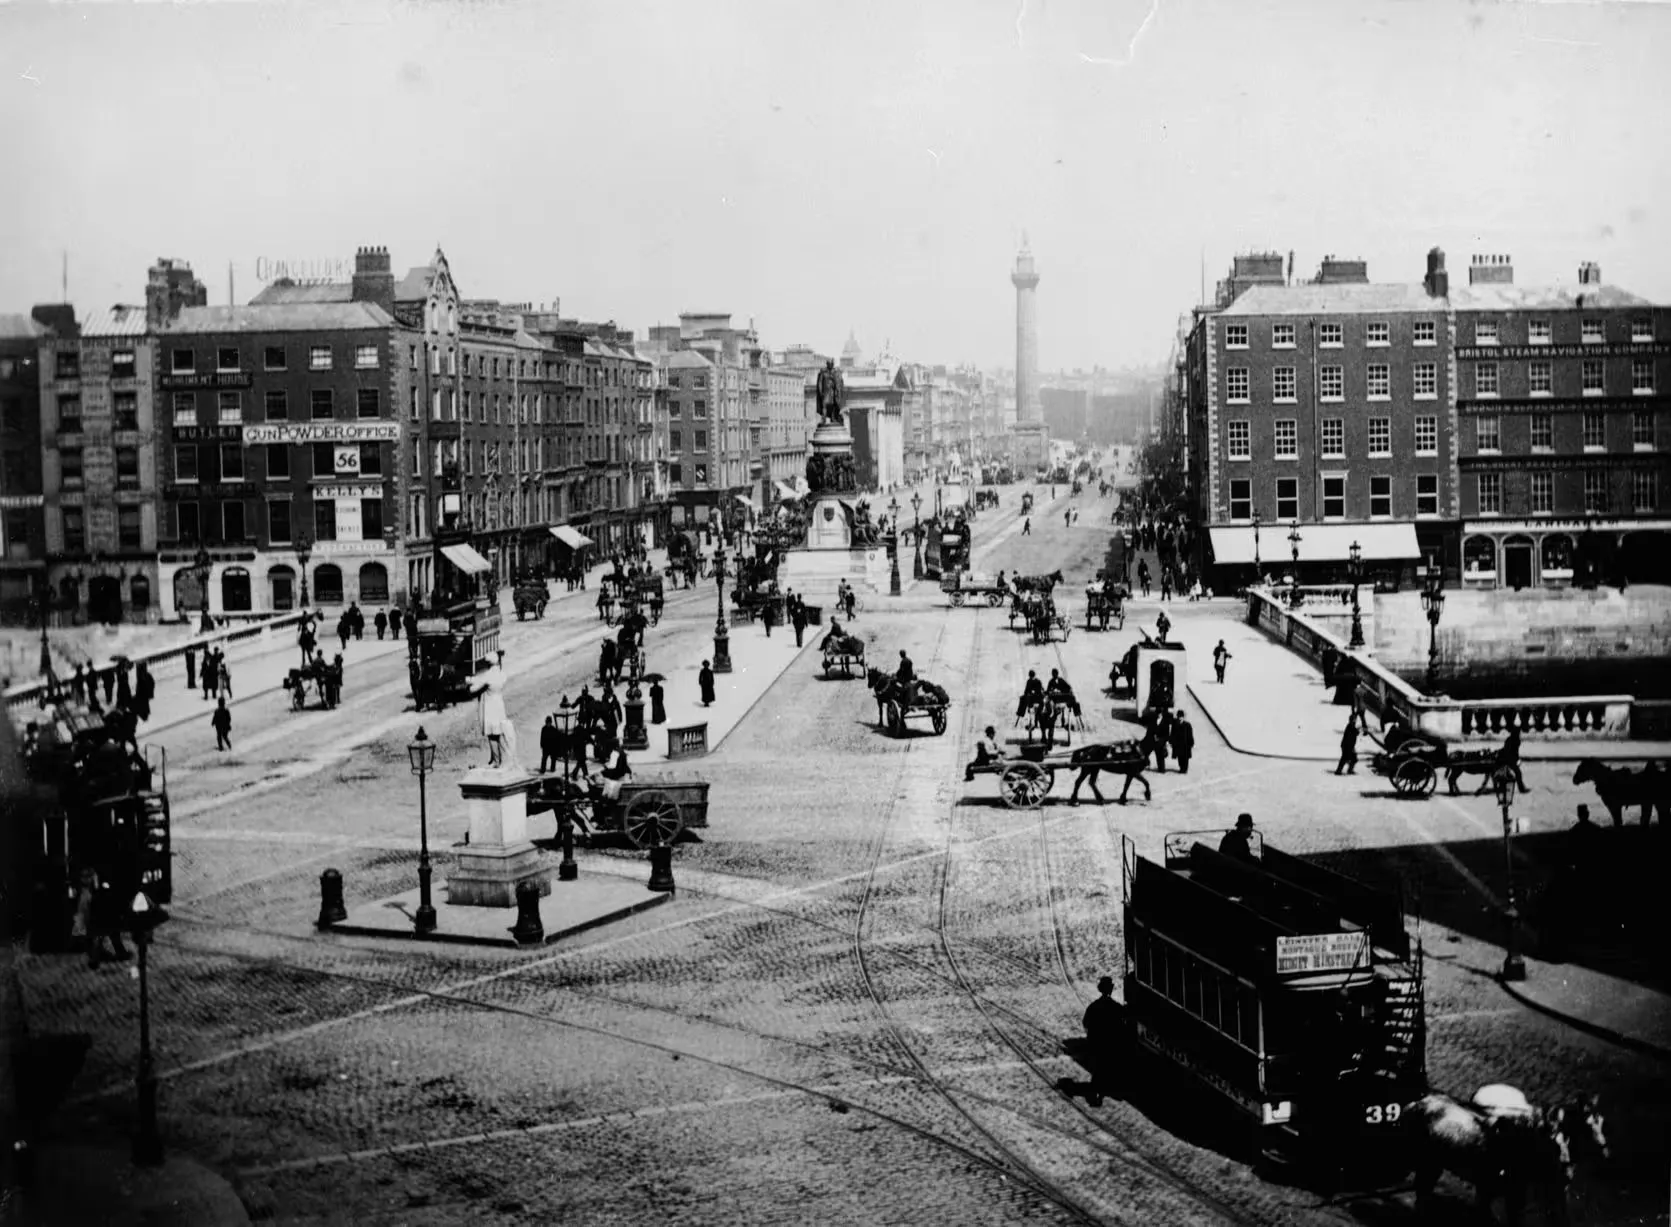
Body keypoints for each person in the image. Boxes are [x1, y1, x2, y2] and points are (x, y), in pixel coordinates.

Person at [1082, 975, 1121, 1105]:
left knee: (1098, 1067)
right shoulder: (1115, 1007)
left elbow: (1086, 1023)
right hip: (1110, 1043)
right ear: (1110, 989)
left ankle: (1097, 1089)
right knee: (1106, 1066)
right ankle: (1103, 1088)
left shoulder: (1094, 1006)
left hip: (1097, 1042)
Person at [1495, 728, 1530, 794]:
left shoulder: (1511, 739)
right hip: (1507, 760)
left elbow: (1511, 751)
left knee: (1515, 773)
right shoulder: (1514, 740)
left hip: (1507, 759)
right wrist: (1515, 760)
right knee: (1517, 773)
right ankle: (1521, 789)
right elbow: (1511, 752)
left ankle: (1520, 788)